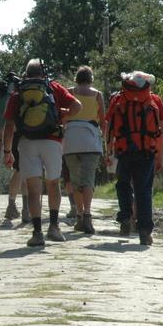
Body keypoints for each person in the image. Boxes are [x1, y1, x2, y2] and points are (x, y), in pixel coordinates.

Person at [3, 59, 82, 246]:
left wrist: (7, 151)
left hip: (27, 143)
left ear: (26, 73)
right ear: (43, 72)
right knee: (53, 184)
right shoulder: (53, 87)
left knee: (33, 188)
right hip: (52, 141)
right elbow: (77, 106)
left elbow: (9, 125)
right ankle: (54, 227)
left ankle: (37, 233)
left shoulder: (18, 93)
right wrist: (62, 115)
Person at [105, 71, 163, 245]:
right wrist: (160, 155)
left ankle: (125, 217)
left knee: (123, 185)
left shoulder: (118, 100)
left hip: (123, 151)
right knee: (144, 191)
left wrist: (108, 151)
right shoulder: (155, 101)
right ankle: (145, 233)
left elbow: (108, 127)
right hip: (146, 152)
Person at [63, 65, 106, 234]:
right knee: (88, 180)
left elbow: (63, 115)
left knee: (75, 181)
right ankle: (87, 215)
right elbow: (103, 120)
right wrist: (104, 139)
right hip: (90, 139)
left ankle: (79, 215)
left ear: (76, 78)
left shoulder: (69, 92)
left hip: (71, 139)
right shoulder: (97, 95)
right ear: (91, 79)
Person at [0, 73, 28, 223]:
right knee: (22, 171)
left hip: (7, 132)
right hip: (25, 135)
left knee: (20, 170)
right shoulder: (19, 95)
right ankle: (22, 209)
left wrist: (1, 138)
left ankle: (16, 207)